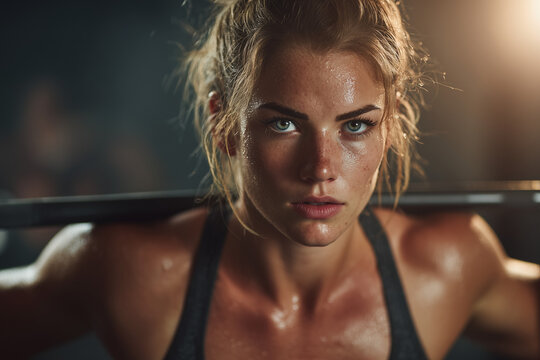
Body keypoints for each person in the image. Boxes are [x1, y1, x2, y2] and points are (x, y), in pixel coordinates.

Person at [1, 0, 539, 359]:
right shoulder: (136, 276)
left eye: (355, 125)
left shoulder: (445, 266)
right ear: (224, 124)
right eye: (283, 123)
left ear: (391, 124)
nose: (321, 167)